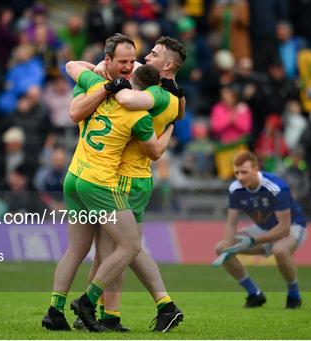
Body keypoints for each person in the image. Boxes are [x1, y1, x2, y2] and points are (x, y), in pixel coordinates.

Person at [65, 35, 187, 332]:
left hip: (126, 178)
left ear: (168, 64)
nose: (144, 58)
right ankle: (121, 312)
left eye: (153, 55)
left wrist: (111, 82)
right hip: (134, 177)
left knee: (122, 249)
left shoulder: (158, 94)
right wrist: (105, 68)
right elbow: (179, 112)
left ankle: (96, 306)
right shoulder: (174, 95)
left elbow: (127, 99)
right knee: (124, 249)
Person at [42, 60, 174, 332]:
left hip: (74, 174)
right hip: (100, 182)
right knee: (129, 246)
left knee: (76, 250)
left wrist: (100, 68)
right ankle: (89, 303)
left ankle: (55, 311)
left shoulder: (96, 89)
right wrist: (170, 127)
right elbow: (155, 152)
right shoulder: (139, 115)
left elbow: (72, 67)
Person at [214, 151, 307, 309]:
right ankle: (254, 294)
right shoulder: (235, 189)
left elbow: (283, 228)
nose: (240, 177)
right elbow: (231, 224)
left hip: (293, 226)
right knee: (220, 248)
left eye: (244, 172)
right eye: (237, 172)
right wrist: (228, 249)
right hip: (263, 229)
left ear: (256, 169)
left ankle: (294, 296)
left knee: (280, 250)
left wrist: (252, 241)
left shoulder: (276, 187)